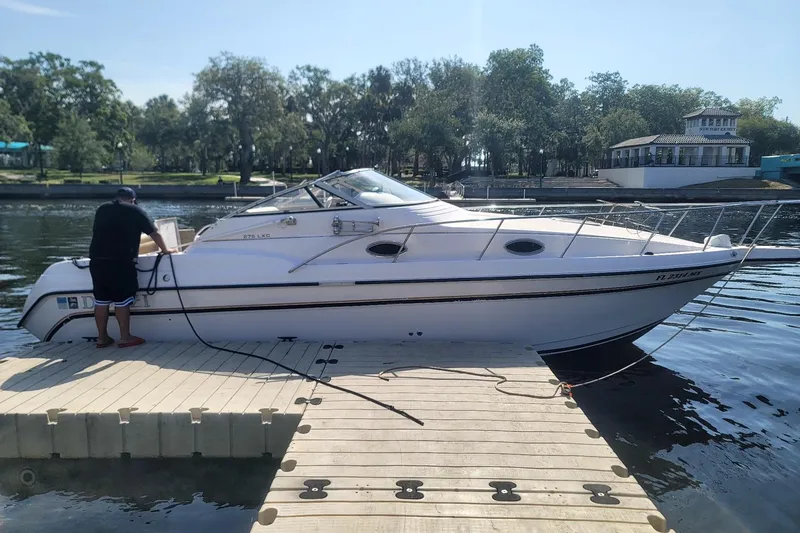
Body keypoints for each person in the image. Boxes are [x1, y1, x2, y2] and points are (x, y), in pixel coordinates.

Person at [88, 187, 176, 348]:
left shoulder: (102, 209)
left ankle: (101, 338)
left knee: (101, 300)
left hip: (97, 260)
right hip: (120, 262)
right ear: (133, 199)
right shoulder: (134, 210)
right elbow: (154, 233)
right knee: (121, 300)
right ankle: (125, 337)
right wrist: (165, 250)